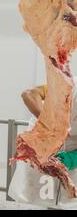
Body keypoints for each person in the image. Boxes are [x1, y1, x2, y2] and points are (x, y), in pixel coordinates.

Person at [8, 81, 77, 209]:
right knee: (34, 201)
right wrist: (48, 125)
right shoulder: (70, 86)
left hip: (71, 161)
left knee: (68, 203)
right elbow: (30, 94)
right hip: (41, 150)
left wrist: (73, 158)